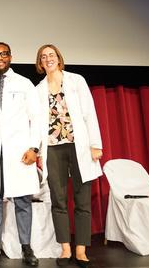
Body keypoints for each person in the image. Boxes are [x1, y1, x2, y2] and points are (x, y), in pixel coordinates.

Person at [0, 42, 42, 266]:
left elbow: (37, 118)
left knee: (22, 200)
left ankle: (26, 247)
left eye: (3, 54)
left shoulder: (25, 84)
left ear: (10, 56)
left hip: (19, 151)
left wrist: (34, 148)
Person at [35, 44, 103, 268]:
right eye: (44, 57)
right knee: (59, 199)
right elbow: (36, 125)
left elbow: (89, 113)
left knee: (83, 199)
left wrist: (95, 144)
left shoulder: (76, 80)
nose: (48, 59)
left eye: (51, 55)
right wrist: (35, 149)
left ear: (58, 58)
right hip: (53, 148)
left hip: (79, 146)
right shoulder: (38, 89)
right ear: (40, 63)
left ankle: (81, 250)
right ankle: (65, 248)